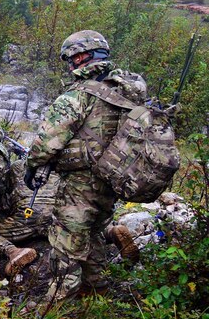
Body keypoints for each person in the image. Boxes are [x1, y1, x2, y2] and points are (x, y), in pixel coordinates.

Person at [26, 30, 148, 301]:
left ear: (81, 56)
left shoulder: (78, 96)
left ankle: (56, 303)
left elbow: (48, 141)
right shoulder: (127, 92)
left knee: (66, 239)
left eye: (71, 59)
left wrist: (31, 166)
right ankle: (96, 289)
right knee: (93, 232)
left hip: (81, 182)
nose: (70, 65)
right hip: (114, 178)